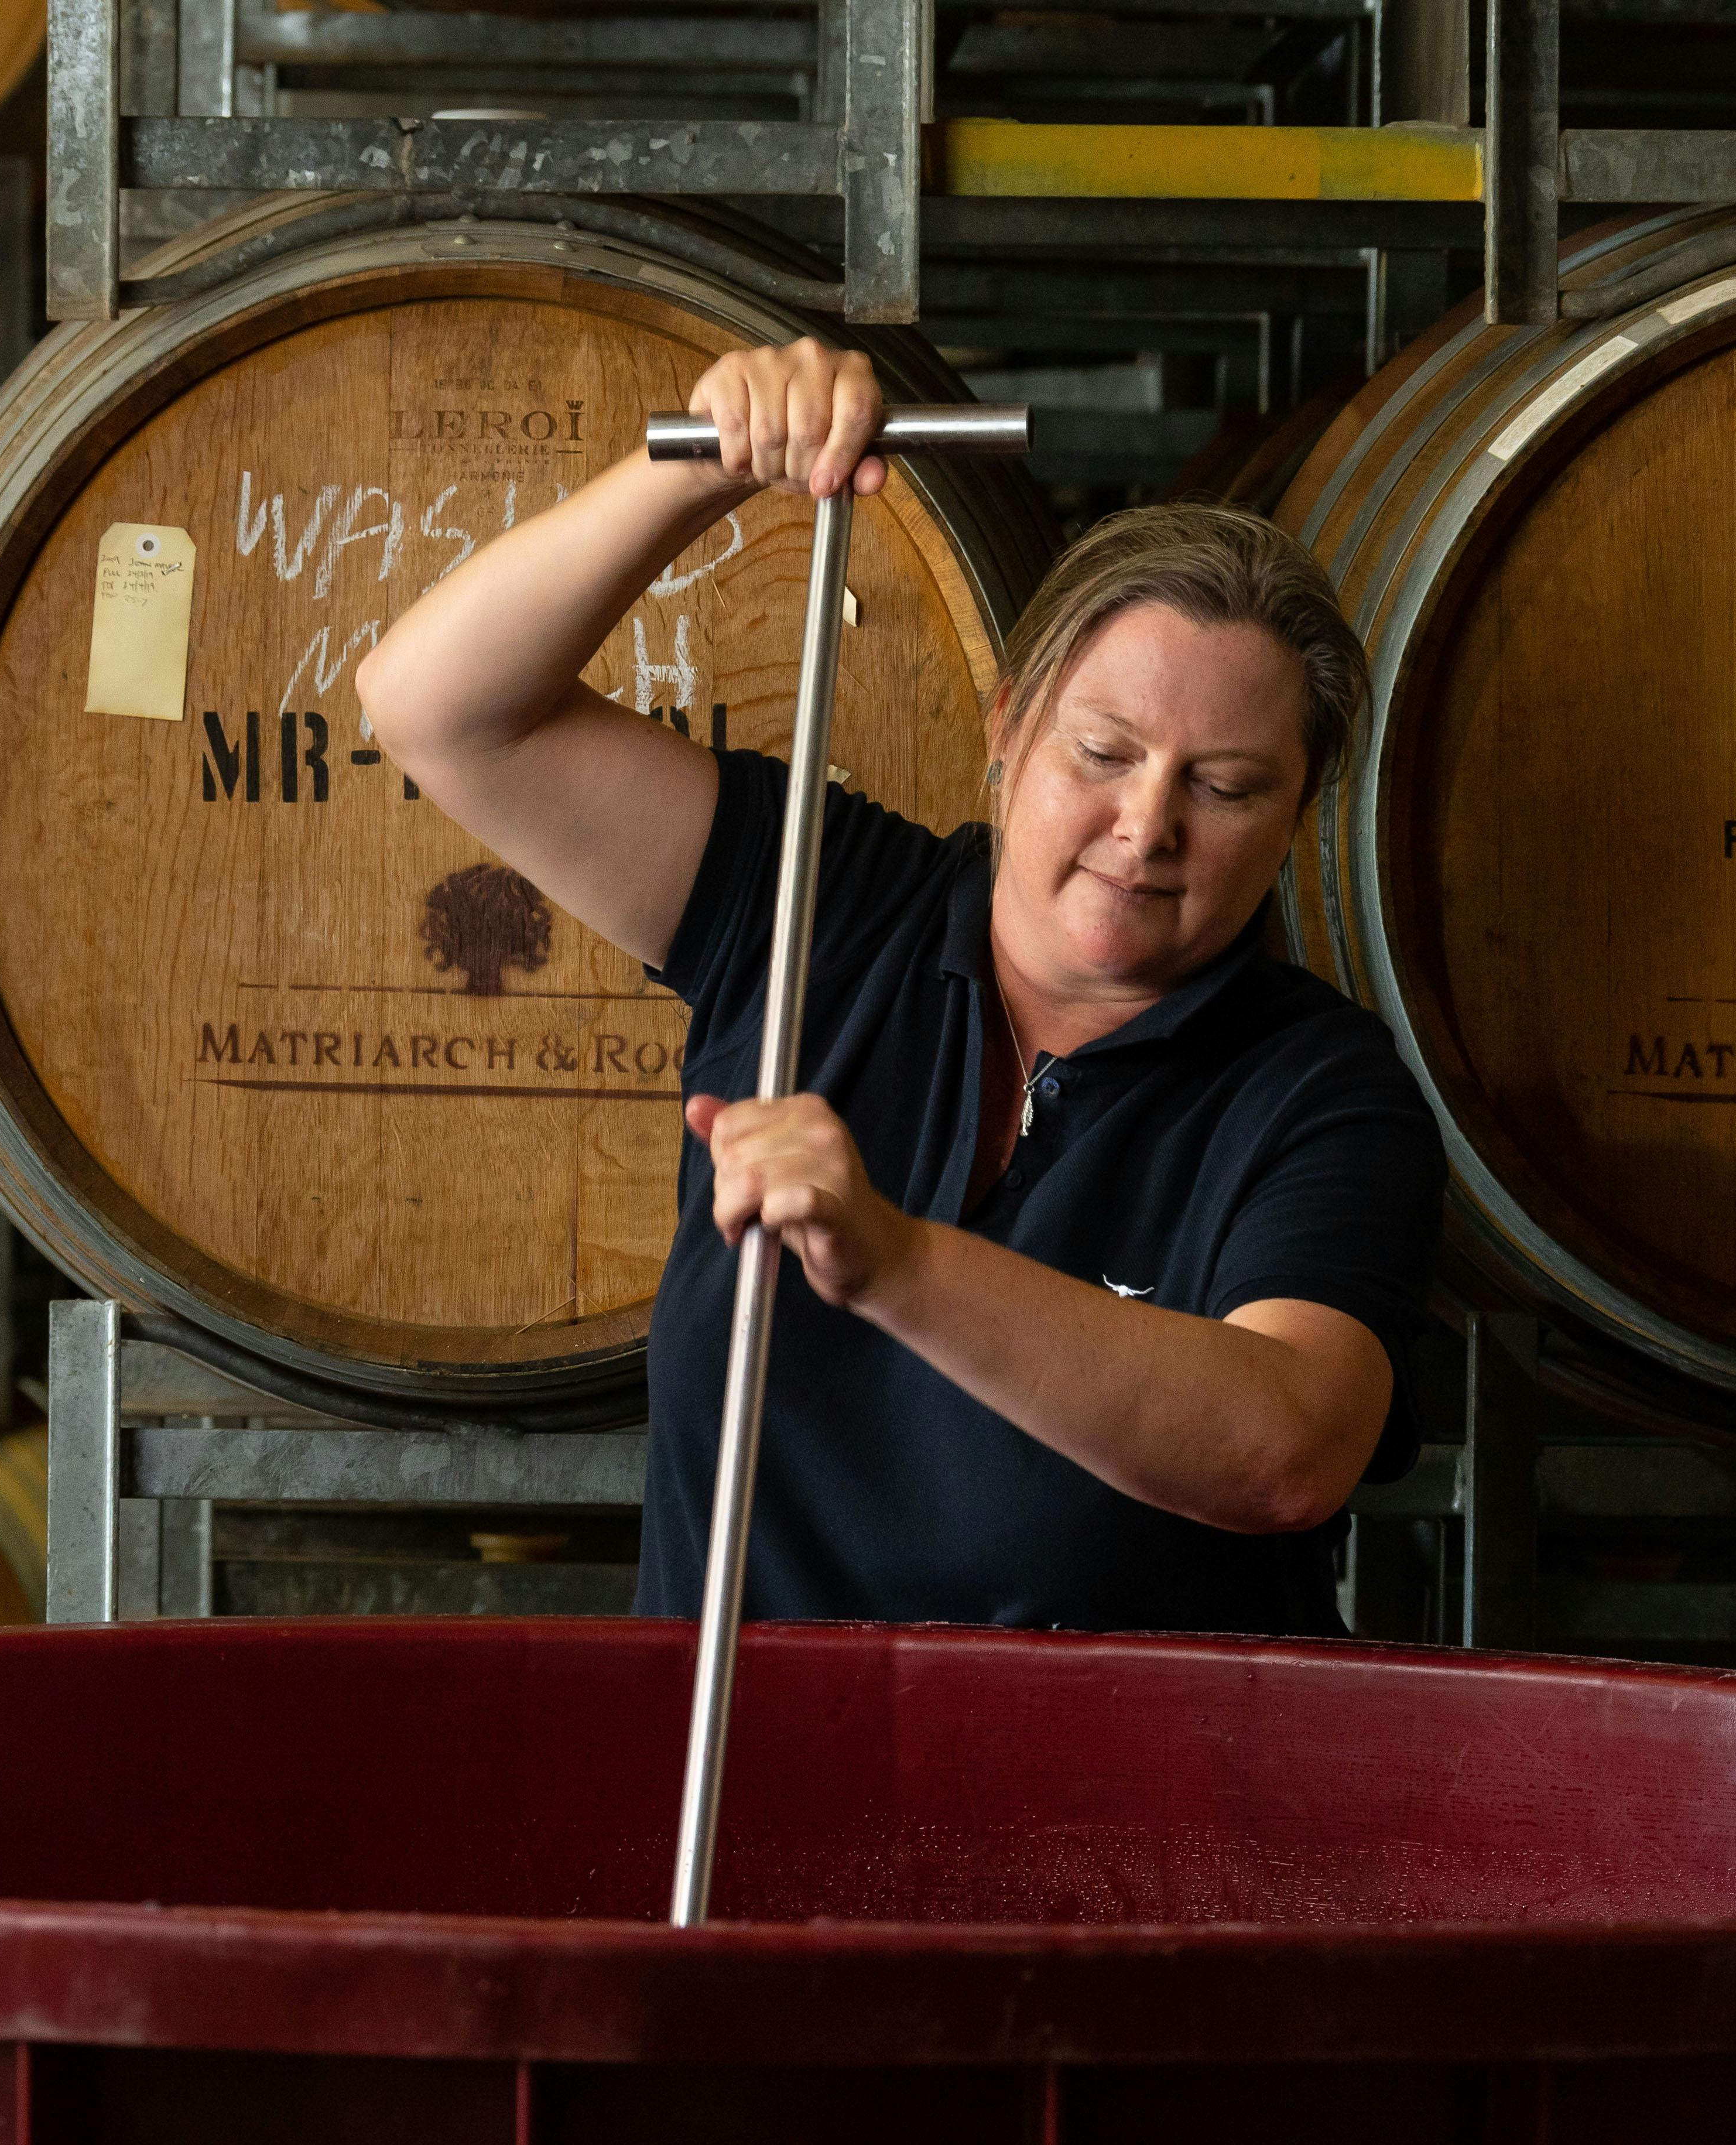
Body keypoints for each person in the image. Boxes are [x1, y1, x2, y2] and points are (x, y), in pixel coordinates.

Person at [357, 339, 1443, 1637]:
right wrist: (700, 466)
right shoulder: (820, 902)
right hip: (736, 1793)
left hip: (1112, 1821)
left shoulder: (1319, 1093)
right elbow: (440, 708)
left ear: (1295, 817)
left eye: (1224, 787)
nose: (1144, 824)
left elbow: (1284, 1447)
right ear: (1004, 730)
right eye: (1101, 751)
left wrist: (894, 1260)